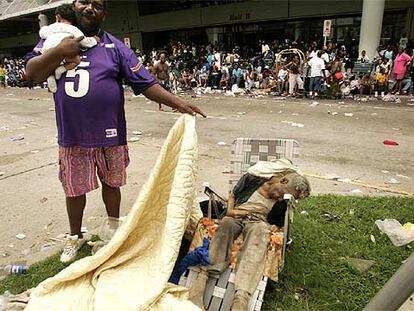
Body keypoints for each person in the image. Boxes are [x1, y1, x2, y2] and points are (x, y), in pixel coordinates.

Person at [25, 0, 206, 263]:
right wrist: (61, 50)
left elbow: (145, 83)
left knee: (113, 183)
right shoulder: (55, 39)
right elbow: (32, 73)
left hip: (110, 133)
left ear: (104, 14)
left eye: (97, 5)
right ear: (74, 6)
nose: (89, 8)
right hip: (73, 134)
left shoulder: (115, 47)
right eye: (84, 2)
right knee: (74, 190)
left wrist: (179, 103)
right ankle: (74, 237)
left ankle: (112, 229)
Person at [188, 161, 311, 311]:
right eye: (282, 194)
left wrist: (273, 225)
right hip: (236, 216)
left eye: (284, 198)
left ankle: (241, 299)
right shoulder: (252, 178)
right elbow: (232, 195)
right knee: (226, 224)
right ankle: (200, 283)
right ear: (283, 180)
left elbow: (277, 223)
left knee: (259, 235)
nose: (280, 199)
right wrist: (232, 211)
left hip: (258, 222)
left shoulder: (282, 202)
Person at [39, 4, 97, 93]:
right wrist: (94, 40)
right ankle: (61, 69)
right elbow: (85, 41)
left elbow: (42, 33)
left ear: (58, 17)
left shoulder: (50, 28)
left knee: (49, 65)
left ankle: (50, 76)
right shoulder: (72, 29)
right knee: (76, 61)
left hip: (47, 51)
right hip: (65, 52)